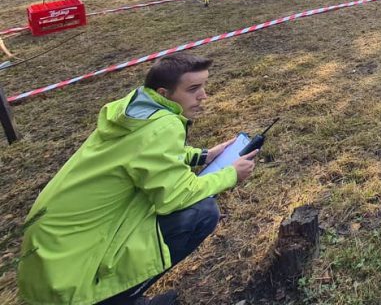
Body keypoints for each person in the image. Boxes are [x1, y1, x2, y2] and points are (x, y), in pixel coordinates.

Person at [18, 55, 259, 305]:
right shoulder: (164, 126)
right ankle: (116, 300)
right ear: (164, 93)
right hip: (71, 276)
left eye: (203, 86)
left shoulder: (136, 110)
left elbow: (143, 154)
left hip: (47, 256)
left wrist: (203, 155)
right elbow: (175, 196)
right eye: (193, 89)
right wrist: (231, 174)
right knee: (203, 213)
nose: (203, 96)